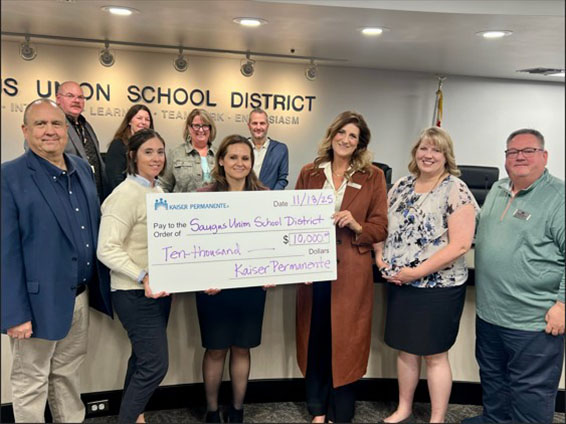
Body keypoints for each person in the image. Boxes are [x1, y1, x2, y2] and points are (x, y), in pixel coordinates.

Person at [1, 99, 113, 423]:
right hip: (35, 303)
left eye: (56, 123)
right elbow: (5, 252)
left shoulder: (81, 169)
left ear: (67, 129)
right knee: (31, 381)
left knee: (67, 373)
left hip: (79, 297)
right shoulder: (9, 176)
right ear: (25, 130)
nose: (49, 130)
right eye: (40, 124)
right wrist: (15, 314)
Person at [374, 126, 478, 423]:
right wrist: (380, 257)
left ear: (447, 156)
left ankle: (437, 418)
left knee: (435, 355)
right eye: (424, 148)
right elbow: (382, 225)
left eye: (436, 150)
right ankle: (404, 409)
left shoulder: (455, 189)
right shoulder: (401, 185)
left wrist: (416, 272)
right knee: (406, 351)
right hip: (401, 284)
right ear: (415, 153)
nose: (428, 155)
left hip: (439, 287)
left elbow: (460, 244)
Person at [463, 129, 564, 424]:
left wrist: (562, 305)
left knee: (530, 391)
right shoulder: (498, 188)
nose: (519, 156)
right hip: (490, 314)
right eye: (512, 151)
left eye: (528, 150)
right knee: (494, 378)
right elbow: (477, 226)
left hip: (533, 321)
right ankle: (495, 420)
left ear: (544, 156)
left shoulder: (559, 198)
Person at [295, 111, 388, 423]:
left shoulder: (373, 176)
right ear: (332, 134)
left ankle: (341, 411)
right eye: (342, 133)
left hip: (351, 271)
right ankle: (317, 409)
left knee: (346, 341)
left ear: (360, 143)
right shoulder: (310, 172)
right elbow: (293, 221)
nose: (346, 140)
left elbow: (381, 226)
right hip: (314, 269)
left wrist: (357, 225)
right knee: (316, 337)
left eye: (353, 136)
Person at [97, 129, 171, 424]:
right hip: (134, 293)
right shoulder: (124, 195)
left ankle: (135, 416)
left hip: (157, 293)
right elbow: (106, 249)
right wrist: (142, 276)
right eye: (148, 152)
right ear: (132, 156)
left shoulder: (158, 191)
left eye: (160, 152)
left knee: (142, 360)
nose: (156, 158)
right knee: (155, 365)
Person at [195, 135, 269, 423]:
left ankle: (237, 409)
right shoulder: (203, 196)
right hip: (213, 289)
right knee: (215, 350)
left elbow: (273, 243)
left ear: (252, 163)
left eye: (245, 158)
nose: (240, 163)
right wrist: (204, 277)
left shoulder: (265, 197)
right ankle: (212, 410)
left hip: (250, 287)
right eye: (233, 157)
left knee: (242, 348)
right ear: (221, 161)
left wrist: (274, 270)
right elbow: (193, 245)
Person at [56, 80, 109, 199]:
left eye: (80, 97)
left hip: (95, 195)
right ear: (58, 99)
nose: (76, 100)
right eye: (70, 96)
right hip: (69, 195)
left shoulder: (86, 125)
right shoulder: (53, 125)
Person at [159, 108, 216, 192]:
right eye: (196, 126)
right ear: (189, 128)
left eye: (205, 126)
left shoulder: (219, 155)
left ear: (210, 128)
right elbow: (163, 186)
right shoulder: (175, 154)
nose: (201, 130)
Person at [105, 104, 154, 192]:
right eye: (139, 118)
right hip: (124, 195)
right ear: (129, 121)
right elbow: (115, 179)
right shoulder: (118, 144)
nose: (143, 122)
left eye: (147, 119)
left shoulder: (151, 147)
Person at [246, 108, 289, 190]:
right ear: (248, 126)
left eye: (262, 123)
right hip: (243, 196)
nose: (258, 127)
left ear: (267, 126)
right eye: (254, 123)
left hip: (270, 197)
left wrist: (271, 195)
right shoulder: (240, 147)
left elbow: (282, 179)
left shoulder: (280, 149)